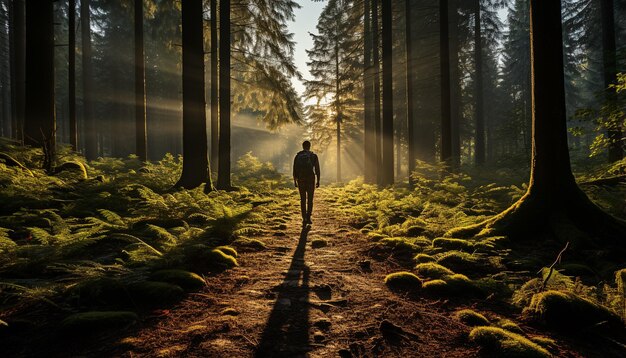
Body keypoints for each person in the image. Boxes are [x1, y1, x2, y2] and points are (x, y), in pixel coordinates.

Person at [293, 140, 320, 226]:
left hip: (301, 179)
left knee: (303, 199)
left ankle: (304, 218)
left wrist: (295, 180)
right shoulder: (313, 156)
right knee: (310, 199)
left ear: (303, 146)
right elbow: (317, 169)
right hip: (310, 180)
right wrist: (318, 180)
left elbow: (294, 169)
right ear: (309, 146)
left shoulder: (298, 156)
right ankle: (309, 217)